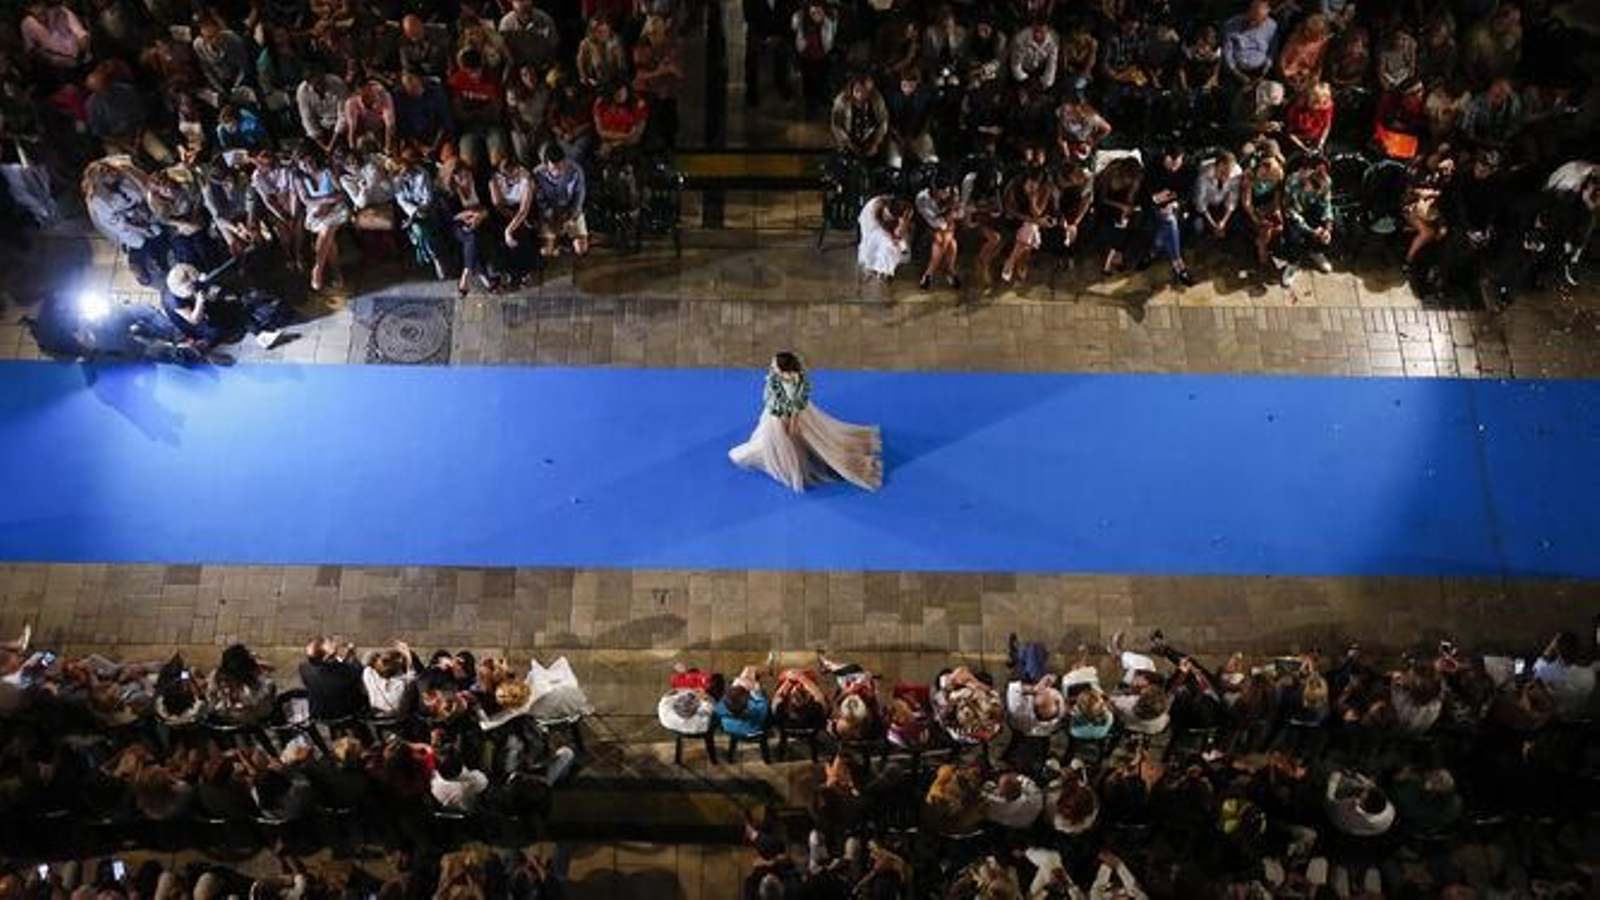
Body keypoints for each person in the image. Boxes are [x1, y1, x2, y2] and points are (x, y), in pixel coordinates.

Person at [728, 351, 883, 493]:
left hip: (784, 417)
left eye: (774, 365)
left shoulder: (792, 384)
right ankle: (776, 458)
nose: (771, 367)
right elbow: (775, 397)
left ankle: (785, 465)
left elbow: (793, 405)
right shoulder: (782, 378)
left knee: (785, 443)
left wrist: (791, 422)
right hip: (779, 414)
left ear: (785, 369)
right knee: (777, 441)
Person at [533, 142, 589, 258]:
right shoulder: (537, 174)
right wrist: (552, 217)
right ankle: (557, 241)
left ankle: (567, 241)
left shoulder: (575, 170)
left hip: (570, 211)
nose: (559, 171)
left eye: (562, 166)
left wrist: (570, 217)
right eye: (554, 168)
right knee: (545, 252)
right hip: (550, 214)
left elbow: (579, 196)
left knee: (581, 249)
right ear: (545, 165)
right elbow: (540, 201)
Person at [298, 636, 367, 721]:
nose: (334, 644)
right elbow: (357, 669)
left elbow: (332, 668)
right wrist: (352, 655)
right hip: (344, 713)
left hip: (318, 713)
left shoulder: (304, 668)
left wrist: (341, 660)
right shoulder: (347, 672)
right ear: (327, 658)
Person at [915, 180, 961, 290]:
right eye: (944, 192)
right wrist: (949, 216)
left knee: (945, 239)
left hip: (947, 228)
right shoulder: (923, 198)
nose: (948, 194)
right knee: (950, 243)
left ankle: (929, 274)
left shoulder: (953, 192)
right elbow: (934, 222)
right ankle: (949, 270)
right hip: (926, 227)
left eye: (948, 191)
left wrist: (953, 214)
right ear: (936, 190)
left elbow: (959, 213)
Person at [855, 193, 912, 281]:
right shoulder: (879, 208)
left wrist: (898, 233)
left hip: (888, 219)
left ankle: (887, 269)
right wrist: (892, 235)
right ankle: (875, 268)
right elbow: (882, 226)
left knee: (892, 244)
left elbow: (901, 227)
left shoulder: (905, 208)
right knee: (878, 241)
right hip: (871, 220)